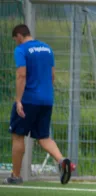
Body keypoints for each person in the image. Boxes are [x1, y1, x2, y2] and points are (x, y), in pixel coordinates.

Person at [5, 24, 75, 186]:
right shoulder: (47, 49)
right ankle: (62, 160)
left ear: (19, 36)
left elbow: (21, 75)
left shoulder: (21, 50)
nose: (16, 43)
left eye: (15, 40)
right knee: (43, 137)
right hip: (46, 99)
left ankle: (15, 176)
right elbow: (52, 76)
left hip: (28, 99)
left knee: (17, 135)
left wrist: (18, 100)